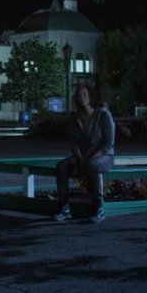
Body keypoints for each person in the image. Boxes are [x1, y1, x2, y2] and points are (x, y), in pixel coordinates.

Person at [54, 84, 115, 223]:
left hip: (104, 156)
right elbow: (73, 142)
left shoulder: (103, 115)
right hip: (83, 157)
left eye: (85, 95)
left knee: (92, 164)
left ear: (90, 96)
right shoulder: (77, 118)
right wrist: (80, 156)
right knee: (62, 166)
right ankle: (64, 207)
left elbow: (108, 142)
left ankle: (98, 207)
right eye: (79, 95)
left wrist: (91, 157)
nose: (82, 98)